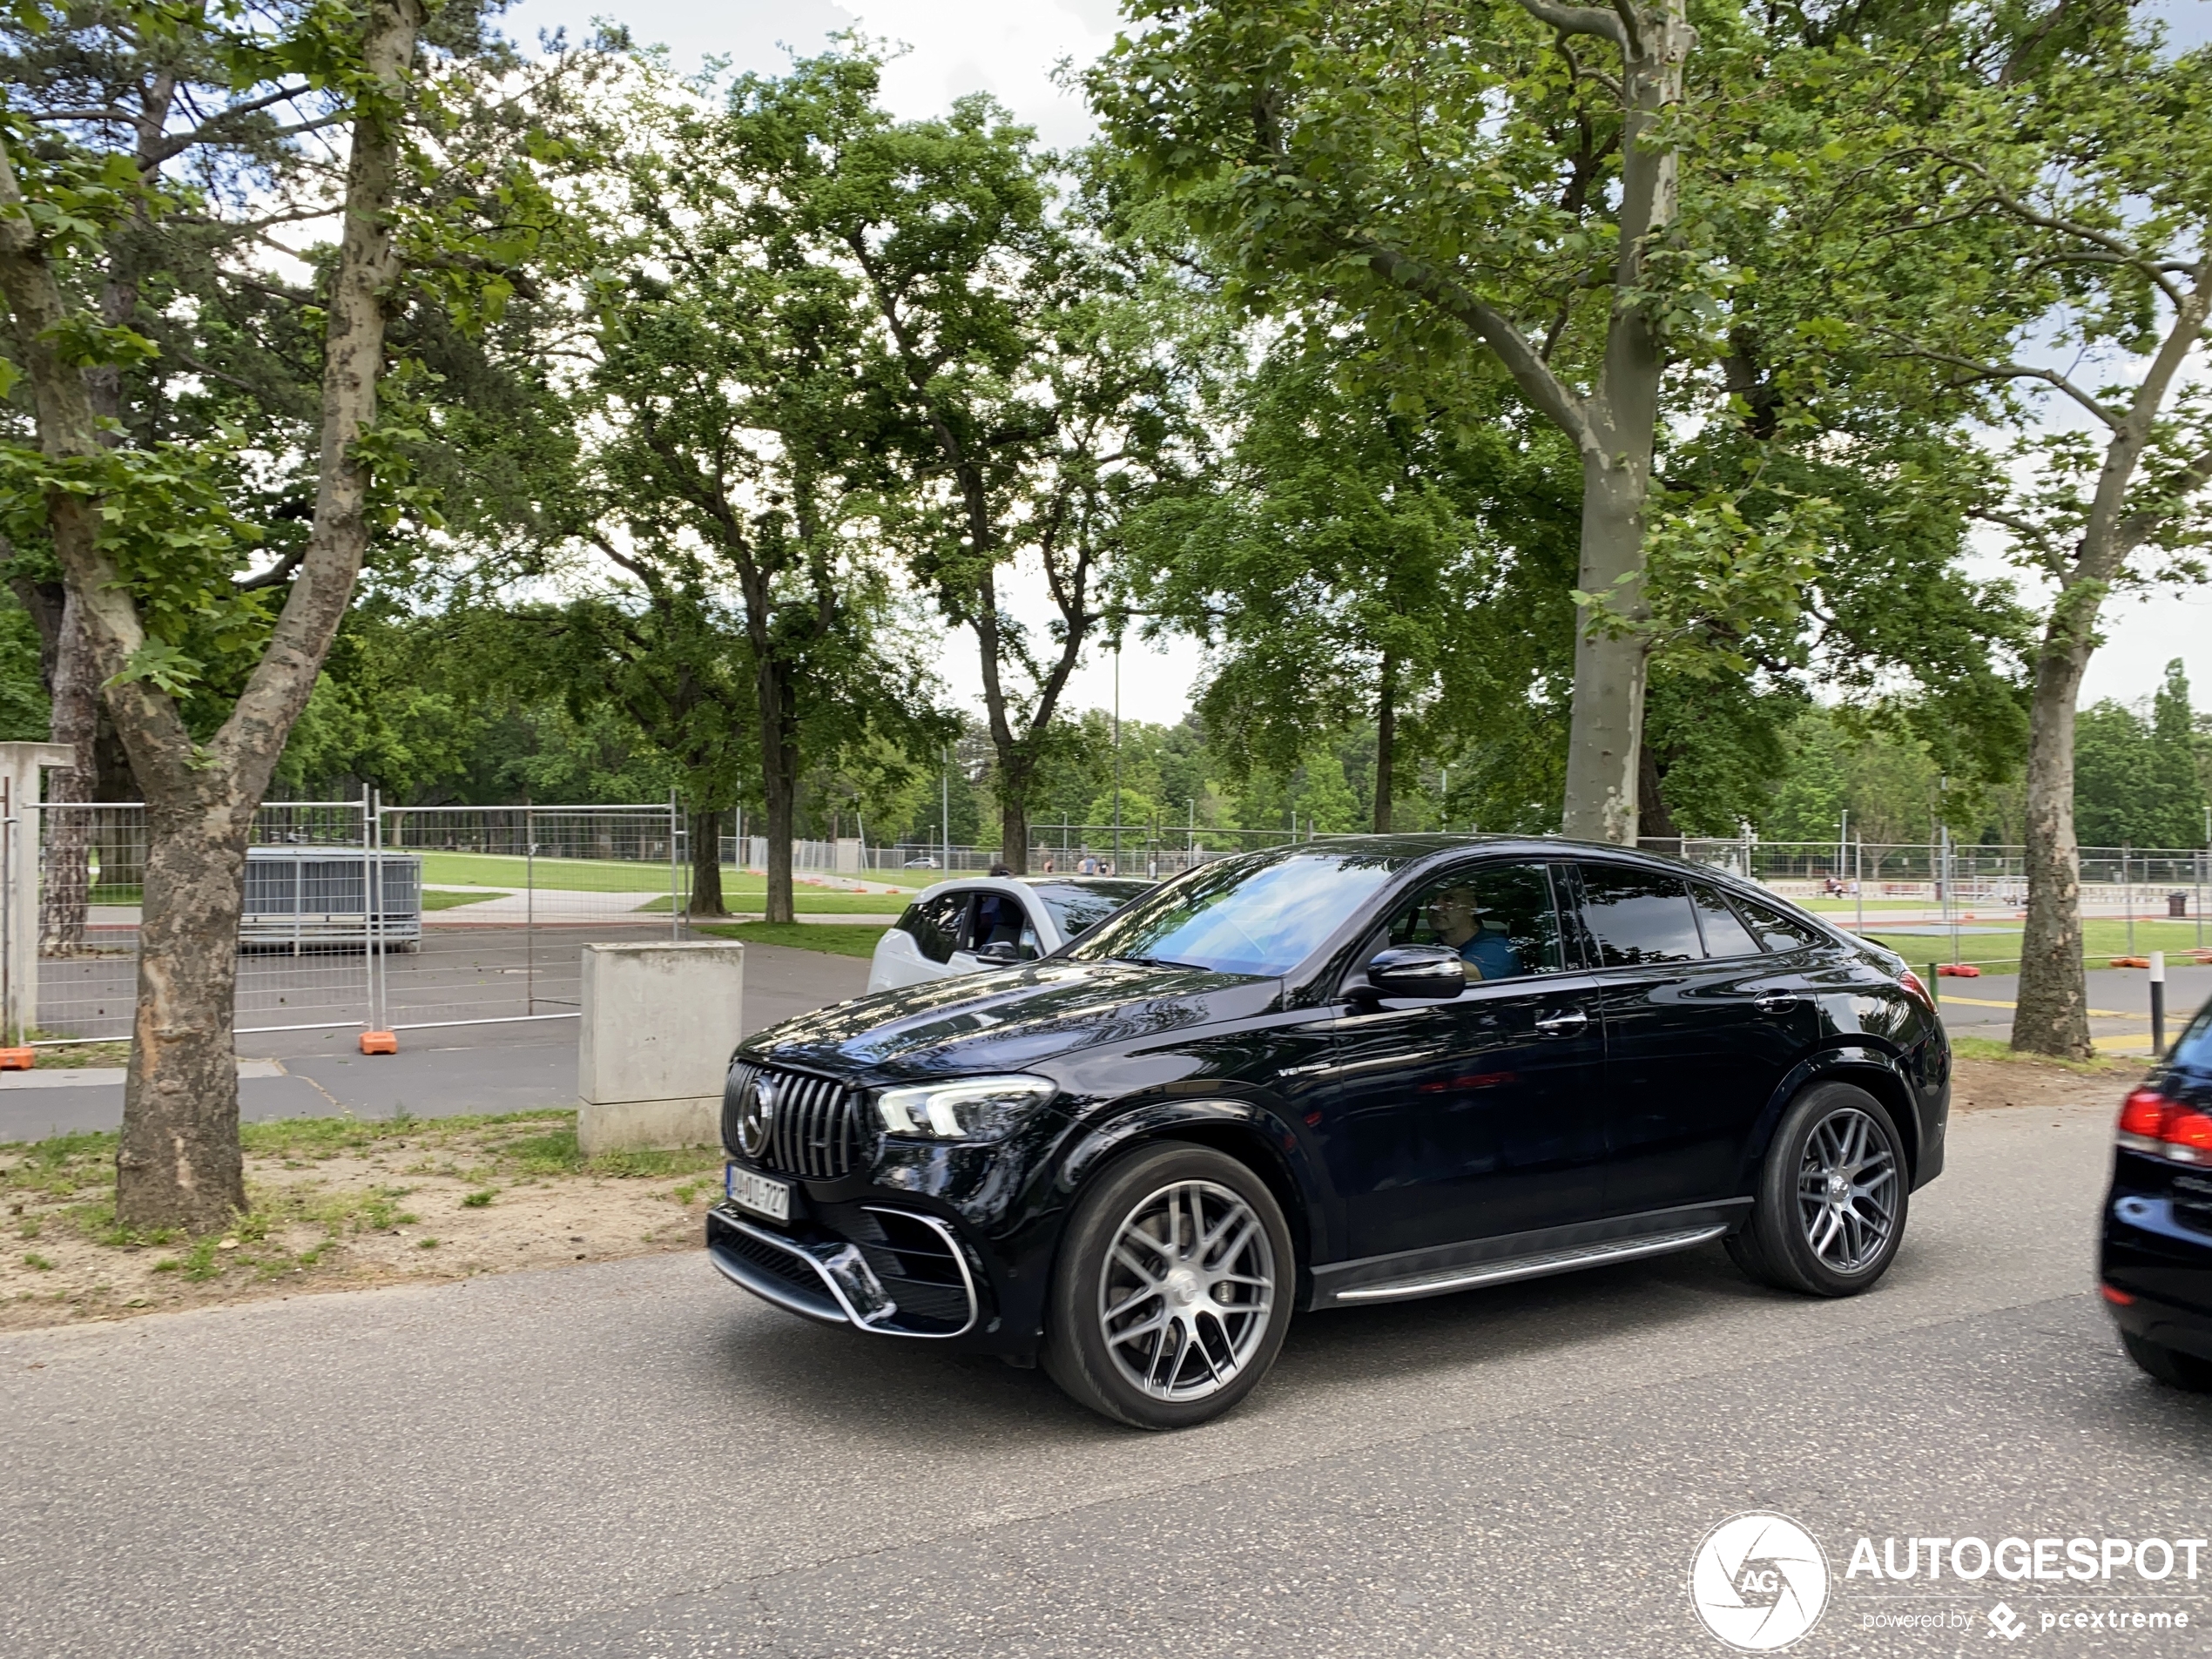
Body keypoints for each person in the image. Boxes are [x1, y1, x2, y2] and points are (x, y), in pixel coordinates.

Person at [1426, 884, 1524, 980]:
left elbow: (1463, 973)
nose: (1435, 906)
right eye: (1431, 899)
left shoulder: (1498, 947)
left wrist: (1415, 968)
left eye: (1449, 899)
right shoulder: (1433, 944)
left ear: (1471, 907)